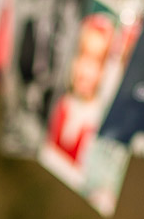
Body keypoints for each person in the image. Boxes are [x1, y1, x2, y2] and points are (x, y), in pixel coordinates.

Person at [47, 13, 115, 164]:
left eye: (96, 59)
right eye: (82, 53)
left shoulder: (100, 126)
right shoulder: (60, 104)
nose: (85, 68)